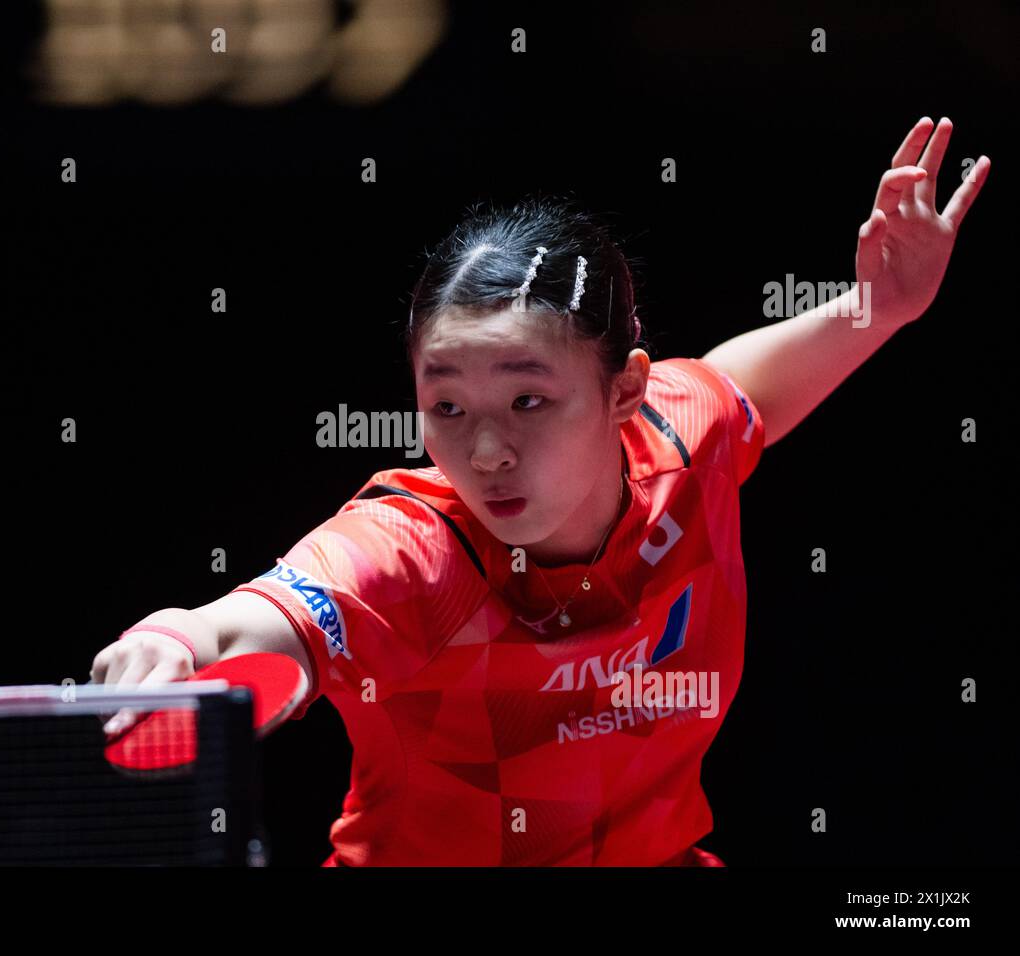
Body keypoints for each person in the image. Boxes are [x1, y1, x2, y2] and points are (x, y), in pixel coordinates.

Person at [91, 118, 988, 865]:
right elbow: (281, 610)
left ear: (625, 391)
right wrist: (181, 635)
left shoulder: (682, 434)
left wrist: (885, 306)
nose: (483, 451)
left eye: (529, 399)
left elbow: (744, 384)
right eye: (446, 404)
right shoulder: (411, 550)